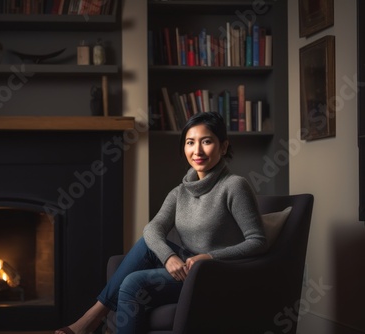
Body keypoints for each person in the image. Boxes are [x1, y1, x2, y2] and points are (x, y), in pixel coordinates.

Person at [55, 112, 268, 334]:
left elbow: (258, 241)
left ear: (223, 147)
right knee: (149, 243)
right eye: (190, 142)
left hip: (216, 274)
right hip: (187, 268)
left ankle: (91, 319)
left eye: (206, 141)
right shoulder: (180, 192)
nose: (197, 151)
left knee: (133, 283)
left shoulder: (234, 186)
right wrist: (169, 257)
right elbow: (152, 228)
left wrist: (209, 256)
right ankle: (93, 317)